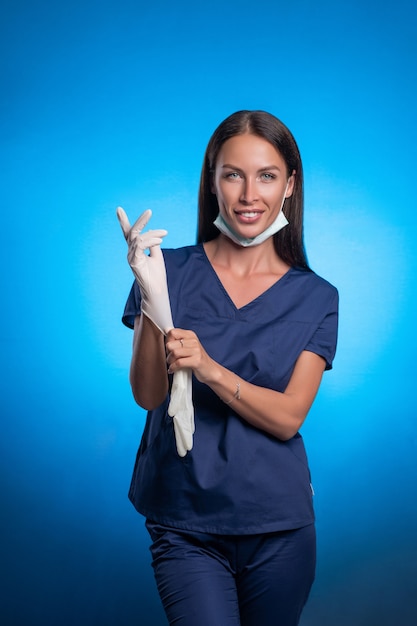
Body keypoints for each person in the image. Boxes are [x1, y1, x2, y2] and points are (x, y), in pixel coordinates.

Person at [117, 110, 338, 626]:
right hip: (184, 521)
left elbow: (288, 418)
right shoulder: (164, 269)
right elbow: (149, 395)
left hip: (278, 526)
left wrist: (210, 369)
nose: (248, 195)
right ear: (212, 180)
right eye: (232, 174)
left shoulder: (318, 297)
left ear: (289, 186)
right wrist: (153, 295)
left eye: (266, 175)